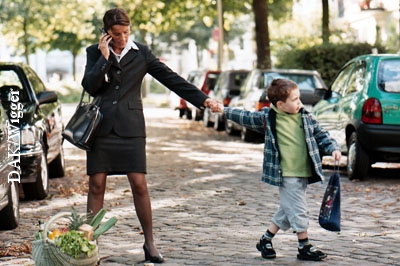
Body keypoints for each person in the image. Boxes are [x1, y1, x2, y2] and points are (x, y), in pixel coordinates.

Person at [81, 8, 221, 263]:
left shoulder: (141, 53)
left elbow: (170, 79)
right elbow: (90, 86)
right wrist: (104, 58)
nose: (122, 38)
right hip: (101, 129)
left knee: (139, 184)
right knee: (96, 185)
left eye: (125, 32)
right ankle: (90, 245)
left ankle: (150, 242)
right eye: (116, 34)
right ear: (105, 33)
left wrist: (204, 100)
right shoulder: (93, 52)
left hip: (131, 128)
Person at [216, 78, 342, 261]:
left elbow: (322, 134)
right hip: (286, 174)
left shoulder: (305, 117)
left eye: (299, 98)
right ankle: (304, 245)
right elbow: (245, 116)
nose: (299, 102)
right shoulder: (268, 118)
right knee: (299, 209)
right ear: (281, 104)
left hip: (303, 172)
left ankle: (265, 240)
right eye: (295, 99)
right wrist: (224, 110)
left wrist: (333, 148)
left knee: (287, 208)